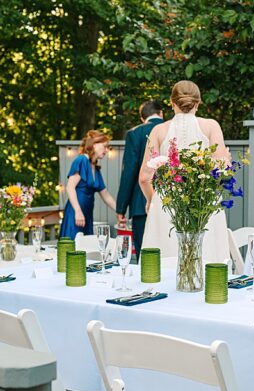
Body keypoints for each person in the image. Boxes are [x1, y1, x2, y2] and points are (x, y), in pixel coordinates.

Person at [139, 81, 230, 263]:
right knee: (206, 259)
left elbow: (144, 177)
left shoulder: (158, 130)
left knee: (164, 263)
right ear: (197, 103)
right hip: (203, 203)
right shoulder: (211, 126)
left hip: (168, 203)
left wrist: (152, 201)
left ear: (172, 103)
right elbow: (222, 167)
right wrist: (225, 158)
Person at [115, 100, 165, 257]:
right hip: (171, 201)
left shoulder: (135, 134)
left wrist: (121, 208)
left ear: (142, 118)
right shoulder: (170, 129)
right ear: (161, 113)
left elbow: (129, 172)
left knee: (144, 253)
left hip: (141, 203)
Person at [60, 130, 117, 240]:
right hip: (76, 214)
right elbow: (70, 187)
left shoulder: (95, 168)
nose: (106, 150)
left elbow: (106, 196)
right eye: (105, 146)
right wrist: (77, 211)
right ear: (94, 144)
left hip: (87, 214)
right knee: (74, 247)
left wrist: (119, 211)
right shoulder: (81, 160)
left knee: (86, 249)